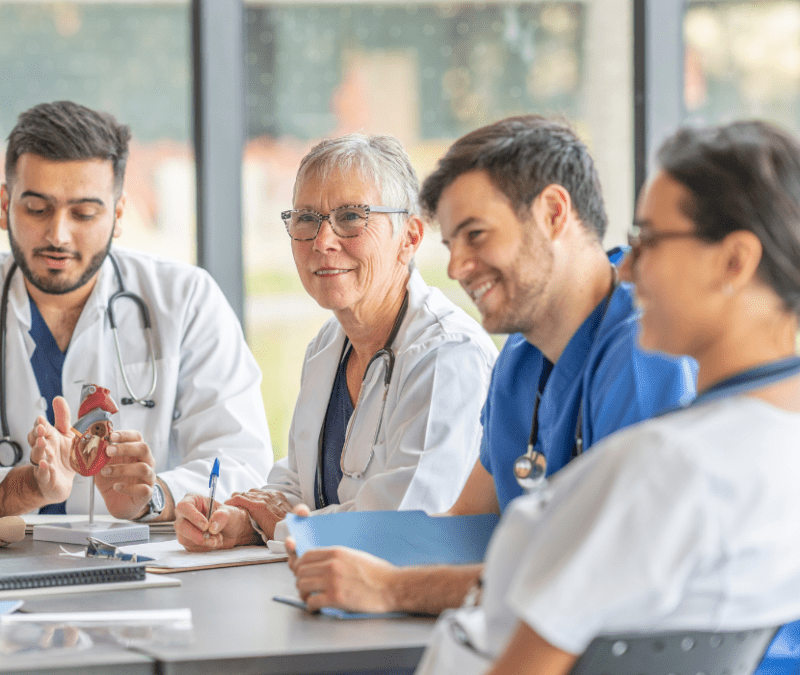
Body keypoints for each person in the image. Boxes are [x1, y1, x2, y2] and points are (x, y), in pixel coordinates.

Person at [414, 120, 800, 675]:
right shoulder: (759, 446)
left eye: (651, 241)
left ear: (734, 261)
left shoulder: (663, 465)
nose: (630, 267)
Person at [287, 116, 696, 615]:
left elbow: (612, 576)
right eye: (452, 245)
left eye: (476, 236)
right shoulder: (519, 365)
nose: (457, 268)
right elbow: (460, 526)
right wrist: (315, 545)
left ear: (552, 213)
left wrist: (394, 589)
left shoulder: (645, 349)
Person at [0, 101, 273, 522]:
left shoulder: (188, 301)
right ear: (4, 204)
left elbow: (243, 463)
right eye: (37, 209)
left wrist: (152, 495)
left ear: (119, 214)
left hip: (145, 575)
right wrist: (23, 487)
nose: (58, 234)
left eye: (84, 213)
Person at [174, 133, 498, 550]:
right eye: (306, 218)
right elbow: (301, 483)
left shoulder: (448, 355)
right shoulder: (330, 343)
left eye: (350, 217)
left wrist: (281, 525)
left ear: (411, 237)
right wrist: (238, 519)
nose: (323, 241)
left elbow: (407, 521)